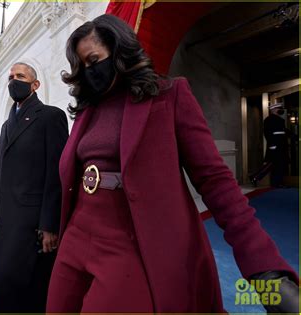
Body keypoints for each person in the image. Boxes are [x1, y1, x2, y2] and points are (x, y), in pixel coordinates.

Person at [46, 14, 299, 313]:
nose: (90, 72)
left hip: (128, 245)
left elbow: (216, 182)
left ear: (119, 51)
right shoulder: (87, 110)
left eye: (94, 60)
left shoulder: (170, 96)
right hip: (75, 238)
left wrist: (265, 269)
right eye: (82, 66)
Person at [0, 62, 69, 312]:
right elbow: (0, 170)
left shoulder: (51, 117)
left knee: (30, 287)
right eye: (11, 76)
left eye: (20, 76)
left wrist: (50, 224)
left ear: (35, 85)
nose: (13, 80)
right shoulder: (6, 125)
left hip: (34, 223)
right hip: (8, 219)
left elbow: (57, 173)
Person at [249, 103, 289, 188]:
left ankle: (277, 183)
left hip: (281, 145)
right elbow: (267, 133)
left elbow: (284, 131)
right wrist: (272, 145)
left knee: (278, 164)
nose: (280, 109)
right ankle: (257, 177)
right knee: (273, 164)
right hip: (275, 146)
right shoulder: (269, 120)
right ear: (273, 110)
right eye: (279, 108)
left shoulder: (280, 120)